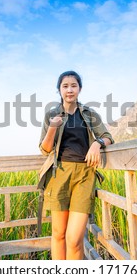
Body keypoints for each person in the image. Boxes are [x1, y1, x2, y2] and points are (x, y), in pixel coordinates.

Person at [38, 70, 114, 260]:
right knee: (58, 234)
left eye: (74, 85)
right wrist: (53, 127)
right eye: (65, 86)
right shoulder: (52, 114)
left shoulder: (89, 114)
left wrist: (97, 144)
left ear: (79, 89)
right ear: (59, 90)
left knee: (73, 239)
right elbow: (45, 149)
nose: (69, 90)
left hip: (84, 176)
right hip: (59, 174)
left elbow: (108, 137)